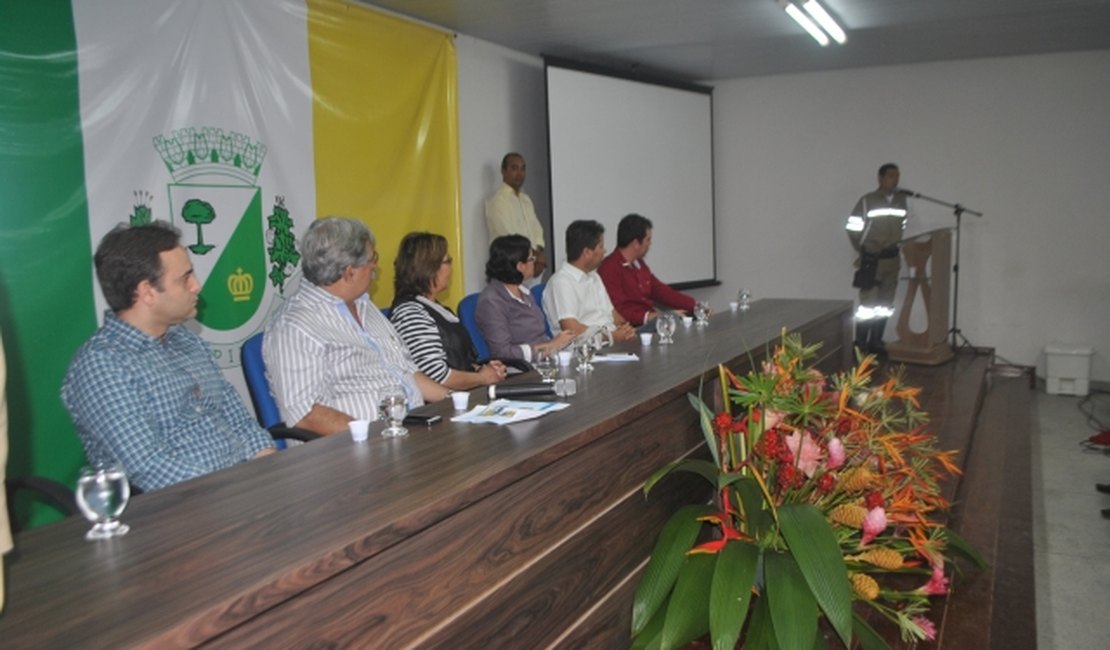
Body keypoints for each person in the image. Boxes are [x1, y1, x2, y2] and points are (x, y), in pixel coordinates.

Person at [61, 222, 275, 492]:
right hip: (181, 510)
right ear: (147, 292)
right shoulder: (102, 365)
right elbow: (149, 467)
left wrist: (271, 471)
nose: (196, 286)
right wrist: (238, 489)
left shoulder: (187, 342)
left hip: (240, 489)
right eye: (185, 278)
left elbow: (240, 422)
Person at [264, 217, 450, 435]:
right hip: (349, 453)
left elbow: (405, 371)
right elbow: (305, 415)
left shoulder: (364, 306)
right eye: (372, 259)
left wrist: (456, 403)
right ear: (349, 272)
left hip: (409, 432)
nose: (376, 265)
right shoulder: (295, 327)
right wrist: (373, 438)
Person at [389, 232, 507, 390]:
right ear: (429, 268)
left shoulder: (436, 307)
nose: (451, 268)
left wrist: (482, 369)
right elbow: (437, 376)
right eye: (448, 261)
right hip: (442, 405)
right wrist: (482, 377)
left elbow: (456, 360)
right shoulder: (410, 313)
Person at [476, 235, 576, 360]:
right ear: (520, 266)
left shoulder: (524, 291)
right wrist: (550, 346)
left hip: (544, 361)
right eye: (531, 259)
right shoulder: (492, 301)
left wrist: (558, 343)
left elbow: (539, 336)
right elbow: (502, 353)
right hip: (520, 371)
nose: (535, 262)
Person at [845, 163, 909, 354]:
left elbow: (903, 226)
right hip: (872, 260)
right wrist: (863, 249)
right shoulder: (867, 201)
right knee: (868, 306)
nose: (895, 180)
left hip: (892, 260)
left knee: (885, 305)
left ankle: (876, 342)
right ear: (880, 178)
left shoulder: (901, 201)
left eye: (897, 176)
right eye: (891, 176)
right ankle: (861, 344)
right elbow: (853, 227)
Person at [542, 220, 637, 342]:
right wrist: (611, 337)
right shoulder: (562, 282)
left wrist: (625, 329)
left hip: (610, 343)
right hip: (585, 351)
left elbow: (612, 315)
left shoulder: (594, 276)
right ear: (587, 252)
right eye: (601, 246)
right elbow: (571, 329)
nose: (605, 251)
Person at [598, 213, 697, 326]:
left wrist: (696, 306)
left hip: (650, 323)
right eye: (648, 240)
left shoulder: (639, 264)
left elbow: (662, 291)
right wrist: (652, 317)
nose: (650, 244)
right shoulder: (609, 268)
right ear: (636, 243)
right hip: (632, 330)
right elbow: (619, 310)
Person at [485, 152, 547, 281]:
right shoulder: (497, 201)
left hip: (532, 266)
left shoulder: (526, 199)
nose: (519, 174)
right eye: (514, 168)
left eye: (522, 169)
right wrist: (535, 257)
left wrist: (538, 255)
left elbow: (537, 231)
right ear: (503, 171)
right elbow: (508, 235)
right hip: (511, 268)